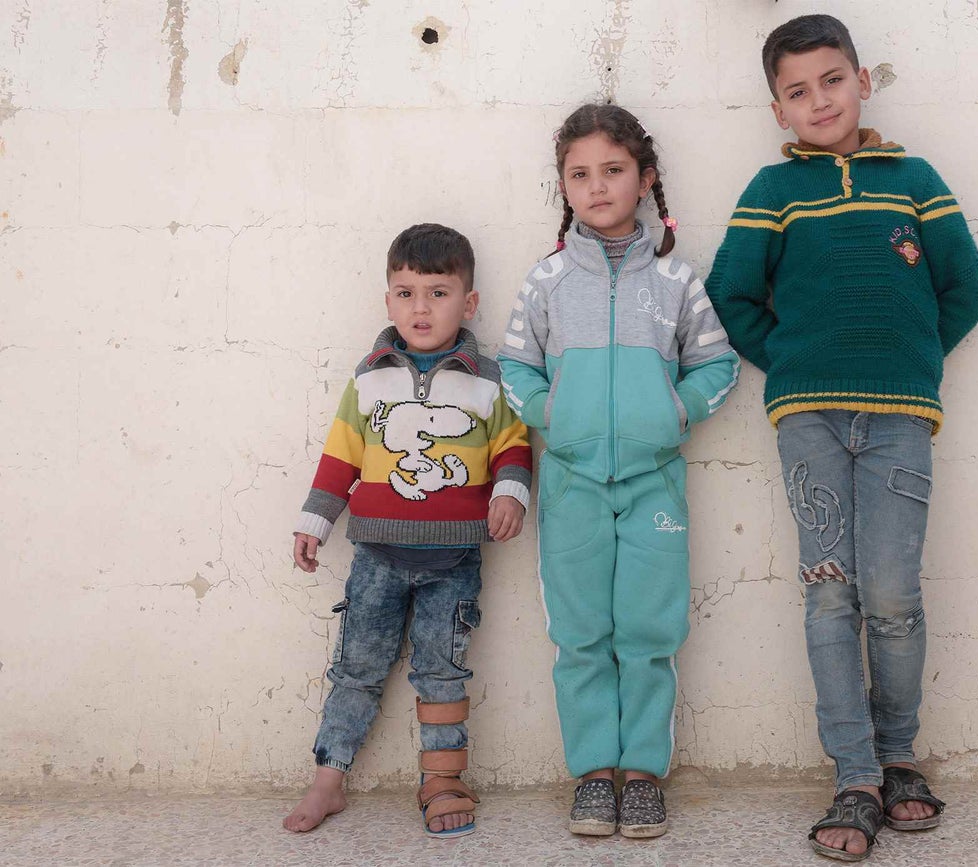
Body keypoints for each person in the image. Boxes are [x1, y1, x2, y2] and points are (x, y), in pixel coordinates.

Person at [706, 14, 978, 862]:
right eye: (797, 90)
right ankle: (855, 775)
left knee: (895, 594)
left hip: (901, 420)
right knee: (831, 592)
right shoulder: (770, 191)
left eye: (833, 80)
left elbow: (967, 287)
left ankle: (900, 755)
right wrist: (791, 365)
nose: (818, 99)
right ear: (778, 109)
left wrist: (908, 357)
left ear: (863, 82)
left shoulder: (915, 178)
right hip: (812, 423)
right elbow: (732, 295)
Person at [498, 104, 739, 839]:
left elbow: (717, 361)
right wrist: (551, 412)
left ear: (645, 179)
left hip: (652, 481)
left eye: (613, 170)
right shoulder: (545, 281)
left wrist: (674, 410)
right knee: (579, 632)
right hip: (570, 481)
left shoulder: (673, 278)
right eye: (580, 173)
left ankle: (642, 775)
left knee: (647, 628)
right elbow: (514, 363)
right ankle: (593, 774)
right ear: (563, 186)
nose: (597, 186)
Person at [283, 223, 532, 838]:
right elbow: (341, 454)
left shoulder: (488, 381)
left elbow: (513, 447)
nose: (420, 308)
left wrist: (510, 492)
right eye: (405, 292)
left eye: (438, 293)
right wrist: (316, 518)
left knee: (442, 670)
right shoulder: (369, 379)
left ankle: (443, 780)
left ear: (468, 302)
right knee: (357, 668)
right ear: (387, 299)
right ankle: (328, 778)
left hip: (454, 561)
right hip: (375, 557)